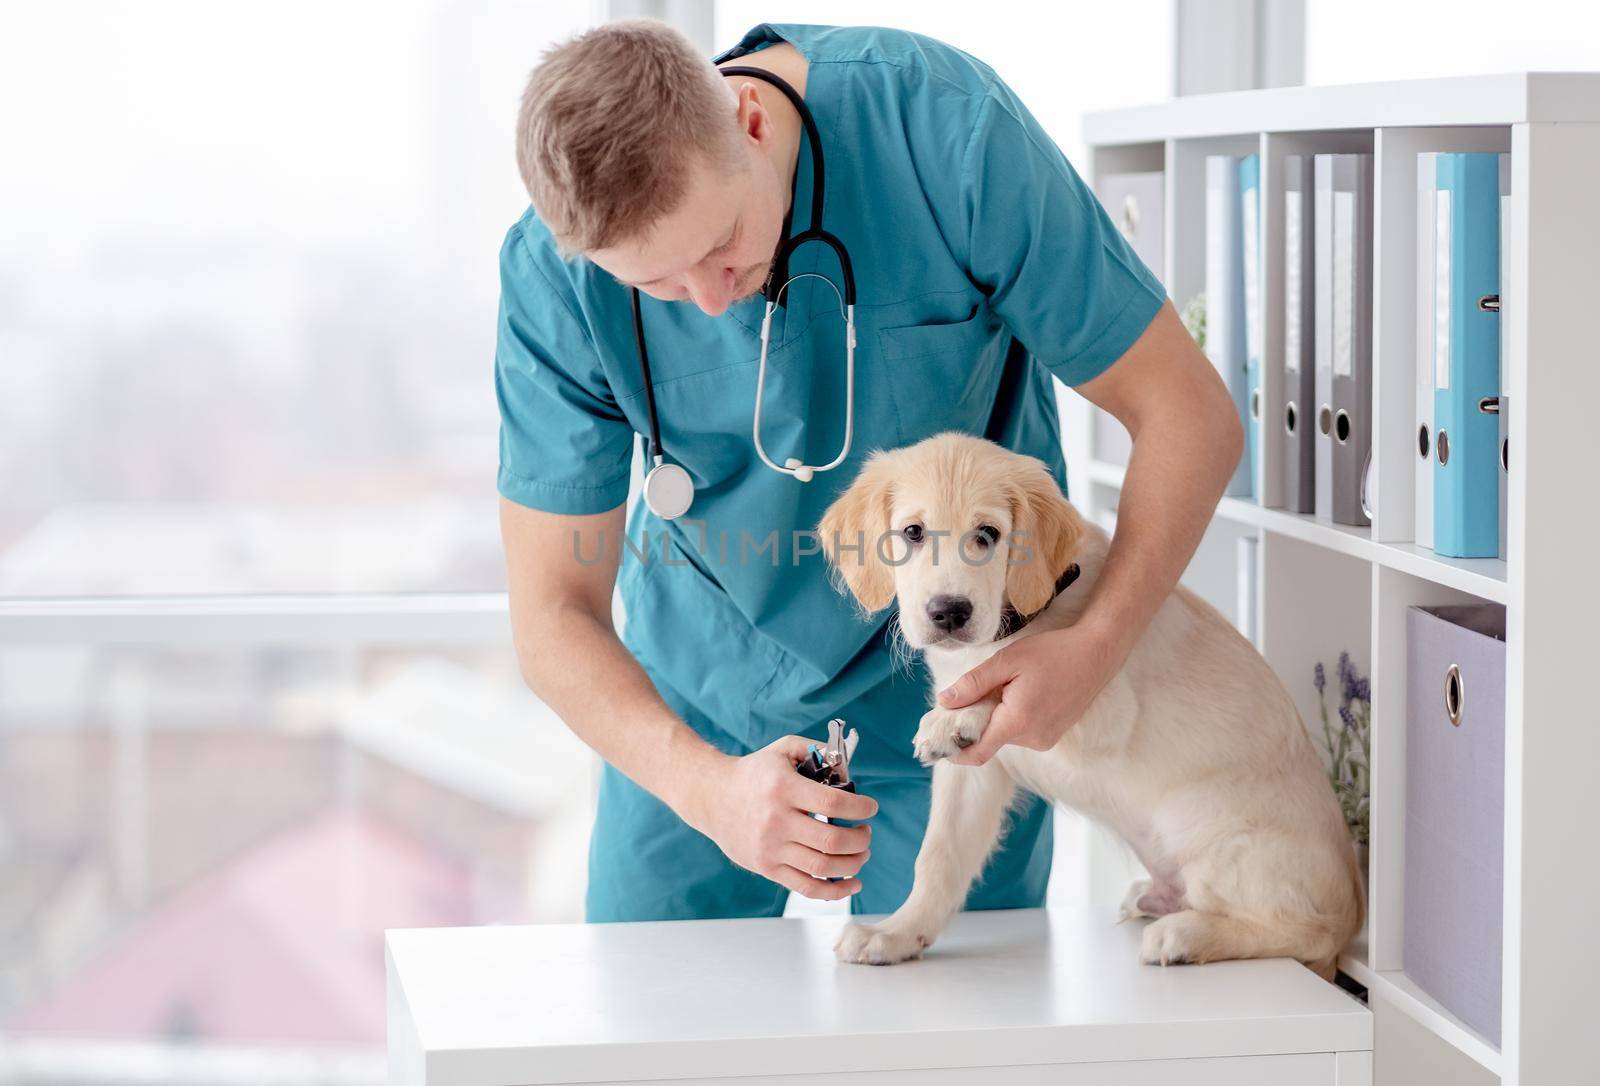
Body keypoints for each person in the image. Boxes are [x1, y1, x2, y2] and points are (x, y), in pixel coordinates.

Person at [496, 20, 1242, 923]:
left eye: (722, 242)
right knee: (658, 1034)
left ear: (749, 120)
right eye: (654, 287)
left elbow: (1187, 416)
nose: (707, 298)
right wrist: (702, 790)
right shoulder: (552, 275)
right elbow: (550, 616)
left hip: (964, 689)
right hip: (698, 698)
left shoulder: (941, 132)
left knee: (950, 1043)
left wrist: (1095, 645)